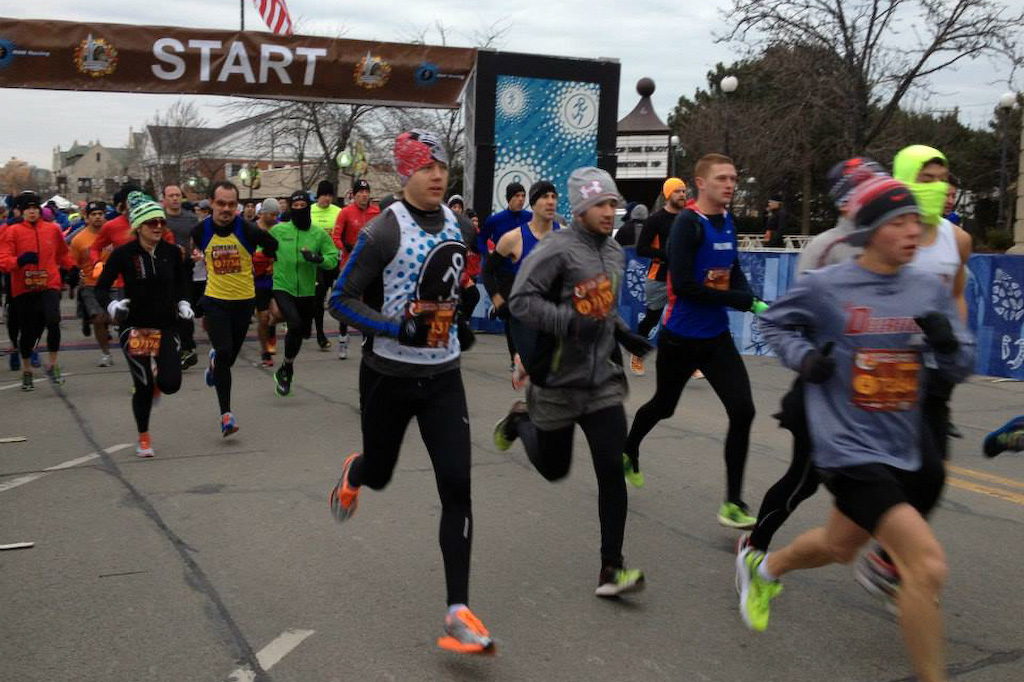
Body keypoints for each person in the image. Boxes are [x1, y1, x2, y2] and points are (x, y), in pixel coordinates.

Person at [741, 175, 974, 682]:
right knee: (926, 566)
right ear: (870, 232)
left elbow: (959, 367)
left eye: (917, 220)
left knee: (840, 545)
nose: (915, 231)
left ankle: (766, 568)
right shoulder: (828, 287)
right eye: (900, 222)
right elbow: (775, 322)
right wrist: (806, 359)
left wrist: (948, 348)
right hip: (846, 447)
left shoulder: (925, 288)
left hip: (904, 441)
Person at [327, 129, 493, 654]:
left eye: (441, 165)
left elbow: (455, 281)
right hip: (388, 377)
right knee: (380, 471)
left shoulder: (459, 224)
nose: (437, 175)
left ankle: (458, 611)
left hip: (443, 377)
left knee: (457, 486)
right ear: (404, 174)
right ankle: (356, 472)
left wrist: (460, 317)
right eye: (425, 167)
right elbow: (341, 300)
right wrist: (396, 327)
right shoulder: (382, 232)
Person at [494, 167, 653, 596]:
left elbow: (601, 305)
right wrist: (568, 323)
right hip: (557, 383)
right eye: (601, 204)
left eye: (613, 203)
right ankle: (519, 422)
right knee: (554, 468)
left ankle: (611, 567)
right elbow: (521, 302)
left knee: (610, 470)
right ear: (581, 208)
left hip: (602, 380)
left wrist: (623, 332)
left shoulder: (615, 253)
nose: (609, 211)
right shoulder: (556, 250)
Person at [744, 157, 886, 557]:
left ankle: (899, 563)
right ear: (845, 202)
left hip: (876, 394)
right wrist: (810, 359)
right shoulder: (826, 249)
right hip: (825, 391)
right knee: (803, 481)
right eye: (866, 189)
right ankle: (754, 550)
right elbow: (787, 321)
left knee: (894, 477)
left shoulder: (894, 247)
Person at [624, 154, 768, 526]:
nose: (731, 184)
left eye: (734, 178)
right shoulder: (688, 224)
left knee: (743, 410)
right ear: (701, 183)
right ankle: (629, 448)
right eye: (722, 178)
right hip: (681, 337)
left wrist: (750, 298)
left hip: (716, 338)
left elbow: (733, 271)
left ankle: (733, 502)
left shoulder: (728, 222)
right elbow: (685, 286)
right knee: (664, 406)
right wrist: (738, 300)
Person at [96, 192, 192, 457]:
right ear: (139, 226)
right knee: (144, 386)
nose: (159, 227)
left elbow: (183, 282)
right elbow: (101, 288)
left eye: (161, 222)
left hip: (166, 326)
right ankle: (144, 437)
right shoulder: (124, 254)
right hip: (135, 328)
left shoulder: (172, 253)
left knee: (171, 384)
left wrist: (184, 302)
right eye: (152, 223)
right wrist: (113, 306)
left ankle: (160, 382)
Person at [190, 181, 278, 437]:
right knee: (225, 351)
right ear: (211, 204)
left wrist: (263, 259)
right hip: (215, 301)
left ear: (237, 206)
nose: (226, 209)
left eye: (231, 204)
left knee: (228, 357)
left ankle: (215, 362)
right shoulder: (200, 230)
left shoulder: (248, 230)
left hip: (243, 302)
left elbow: (272, 245)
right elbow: (196, 252)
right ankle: (226, 415)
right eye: (221, 204)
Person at [0, 191, 74, 390]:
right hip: (23, 287)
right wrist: (20, 260)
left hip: (49, 284)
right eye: (28, 209)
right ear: (21, 211)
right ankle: (26, 371)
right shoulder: (12, 232)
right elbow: (3, 261)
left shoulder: (52, 229)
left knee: (53, 320)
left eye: (35, 208)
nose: (32, 212)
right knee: (28, 332)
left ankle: (53, 364)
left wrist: (73, 269)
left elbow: (62, 254)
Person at [269, 190, 338, 395]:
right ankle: (287, 369)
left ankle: (286, 366)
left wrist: (317, 259)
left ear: (309, 207)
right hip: (283, 287)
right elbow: (260, 248)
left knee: (302, 332)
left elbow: (333, 259)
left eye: (303, 206)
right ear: (291, 208)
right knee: (295, 324)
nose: (299, 210)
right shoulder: (279, 231)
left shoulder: (319, 234)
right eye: (295, 207)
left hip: (308, 290)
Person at [632, 178, 688, 376]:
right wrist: (667, 255)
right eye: (677, 191)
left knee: (686, 317)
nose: (682, 194)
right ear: (668, 194)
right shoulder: (656, 219)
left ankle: (691, 362)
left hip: (683, 277)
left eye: (683, 191)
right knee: (652, 319)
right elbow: (641, 249)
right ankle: (637, 353)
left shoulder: (689, 217)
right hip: (660, 277)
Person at [332, 178, 380, 360]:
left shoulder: (376, 212)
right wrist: (345, 248)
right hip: (349, 264)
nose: (364, 196)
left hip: (369, 264)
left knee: (369, 302)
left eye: (366, 193)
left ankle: (367, 337)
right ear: (354, 195)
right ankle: (343, 338)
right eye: (360, 193)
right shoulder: (345, 213)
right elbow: (335, 236)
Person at [69, 201, 115, 366]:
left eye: (100, 214)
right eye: (93, 214)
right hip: (91, 284)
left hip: (114, 283)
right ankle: (106, 354)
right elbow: (73, 263)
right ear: (86, 218)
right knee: (98, 319)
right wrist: (75, 278)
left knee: (116, 318)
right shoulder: (79, 239)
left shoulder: (112, 234)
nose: (97, 217)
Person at [162, 184, 201, 369]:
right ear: (164, 199)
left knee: (186, 306)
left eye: (178, 195)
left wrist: (196, 252)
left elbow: (199, 241)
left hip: (185, 268)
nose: (175, 198)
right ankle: (173, 346)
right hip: (163, 269)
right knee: (168, 308)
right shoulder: (159, 218)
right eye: (171, 195)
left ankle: (187, 346)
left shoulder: (191, 218)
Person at [309, 181, 342, 351]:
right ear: (318, 195)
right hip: (316, 263)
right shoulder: (310, 211)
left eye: (330, 195)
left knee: (340, 296)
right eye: (324, 195)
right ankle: (321, 335)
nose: (327, 199)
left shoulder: (338, 212)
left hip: (334, 261)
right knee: (318, 299)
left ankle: (343, 332)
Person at [253, 198, 280, 367]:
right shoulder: (252, 229)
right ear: (263, 213)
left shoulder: (279, 228)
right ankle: (265, 353)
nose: (275, 217)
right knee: (262, 318)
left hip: (276, 278)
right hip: (259, 279)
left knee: (278, 314)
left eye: (277, 214)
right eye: (272, 214)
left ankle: (271, 329)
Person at [478, 182, 531, 256]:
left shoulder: (530, 217)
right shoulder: (495, 219)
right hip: (503, 264)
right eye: (517, 196)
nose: (521, 199)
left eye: (523, 196)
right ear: (509, 198)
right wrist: (488, 254)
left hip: (525, 264)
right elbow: (481, 239)